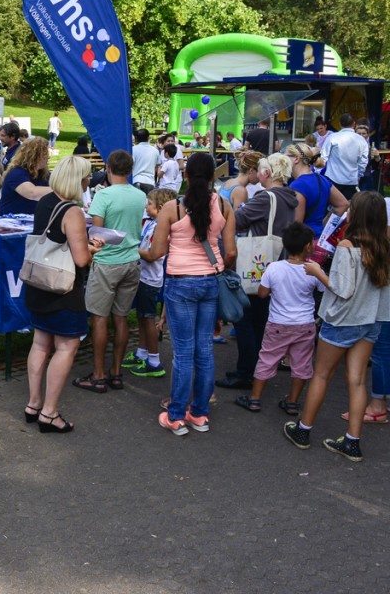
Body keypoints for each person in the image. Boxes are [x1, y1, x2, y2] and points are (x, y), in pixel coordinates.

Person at [284, 192, 390, 462]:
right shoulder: (385, 245)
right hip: (371, 321)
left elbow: (342, 289)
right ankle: (352, 441)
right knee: (357, 380)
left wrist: (318, 272)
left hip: (342, 319)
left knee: (321, 375)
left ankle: (303, 430)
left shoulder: (346, 245)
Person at [143, 153, 238, 435]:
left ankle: (175, 416)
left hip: (180, 282)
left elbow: (157, 251)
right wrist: (220, 266)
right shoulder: (223, 204)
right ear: (212, 177)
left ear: (186, 176)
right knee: (204, 350)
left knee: (183, 353)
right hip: (210, 281)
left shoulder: (173, 208)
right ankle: (199, 413)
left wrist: (139, 252)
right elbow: (231, 251)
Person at [24, 156, 102, 433]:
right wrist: (92, 249)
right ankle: (49, 412)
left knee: (40, 344)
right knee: (66, 347)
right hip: (62, 288)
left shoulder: (45, 202)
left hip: (38, 283)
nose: (89, 181)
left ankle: (33, 404)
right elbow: (81, 260)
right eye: (87, 177)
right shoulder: (73, 212)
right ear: (78, 180)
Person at [218, 153, 305, 390]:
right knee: (258, 320)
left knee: (246, 320)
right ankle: (255, 369)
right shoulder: (290, 196)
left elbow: (237, 219)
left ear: (267, 173)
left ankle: (246, 372)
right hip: (276, 263)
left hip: (256, 265)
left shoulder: (266, 198)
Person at [72, 150, 146, 393]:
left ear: (108, 169)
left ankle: (99, 374)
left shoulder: (104, 195)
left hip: (107, 262)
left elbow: (97, 235)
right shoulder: (139, 195)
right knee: (121, 317)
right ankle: (115, 372)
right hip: (132, 261)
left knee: (99, 318)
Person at [234, 223, 324, 414]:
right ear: (308, 246)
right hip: (305, 324)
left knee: (266, 359)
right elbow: (322, 290)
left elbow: (262, 293)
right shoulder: (314, 270)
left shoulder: (274, 268)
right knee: (302, 363)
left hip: (278, 324)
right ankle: (292, 402)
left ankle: (255, 399)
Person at [127, 187, 179, 378]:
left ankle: (154, 360)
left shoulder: (161, 228)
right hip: (143, 277)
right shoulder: (151, 223)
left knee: (148, 318)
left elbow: (152, 255)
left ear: (161, 207)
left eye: (149, 204)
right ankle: (142, 352)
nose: (146, 207)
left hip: (151, 280)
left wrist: (130, 248)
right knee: (141, 316)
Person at [287, 143, 348, 235]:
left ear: (296, 159)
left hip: (303, 243)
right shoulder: (322, 180)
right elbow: (343, 204)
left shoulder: (297, 185)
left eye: (285, 157)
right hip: (320, 239)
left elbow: (296, 226)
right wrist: (327, 227)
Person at [0, 137, 53, 216]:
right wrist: (62, 190)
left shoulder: (43, 174)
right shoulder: (16, 173)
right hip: (10, 223)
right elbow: (31, 193)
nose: (48, 156)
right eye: (45, 153)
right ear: (34, 155)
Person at [321, 113, 370, 200]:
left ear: (340, 124)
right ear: (354, 124)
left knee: (331, 208)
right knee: (349, 208)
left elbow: (323, 158)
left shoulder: (332, 137)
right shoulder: (361, 140)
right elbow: (363, 162)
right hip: (351, 180)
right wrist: (358, 176)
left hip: (333, 179)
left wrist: (318, 173)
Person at [131, 128, 157, 194]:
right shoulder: (155, 150)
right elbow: (157, 166)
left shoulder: (133, 149)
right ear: (148, 137)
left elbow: (130, 165)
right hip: (150, 181)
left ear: (137, 138)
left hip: (136, 180)